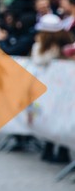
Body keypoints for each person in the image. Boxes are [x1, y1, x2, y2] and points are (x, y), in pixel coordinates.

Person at [31, 14, 73, 164]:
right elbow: (38, 60)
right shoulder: (57, 45)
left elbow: (38, 59)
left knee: (57, 117)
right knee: (56, 117)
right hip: (59, 88)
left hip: (59, 88)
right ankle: (53, 149)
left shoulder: (59, 46)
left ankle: (59, 150)